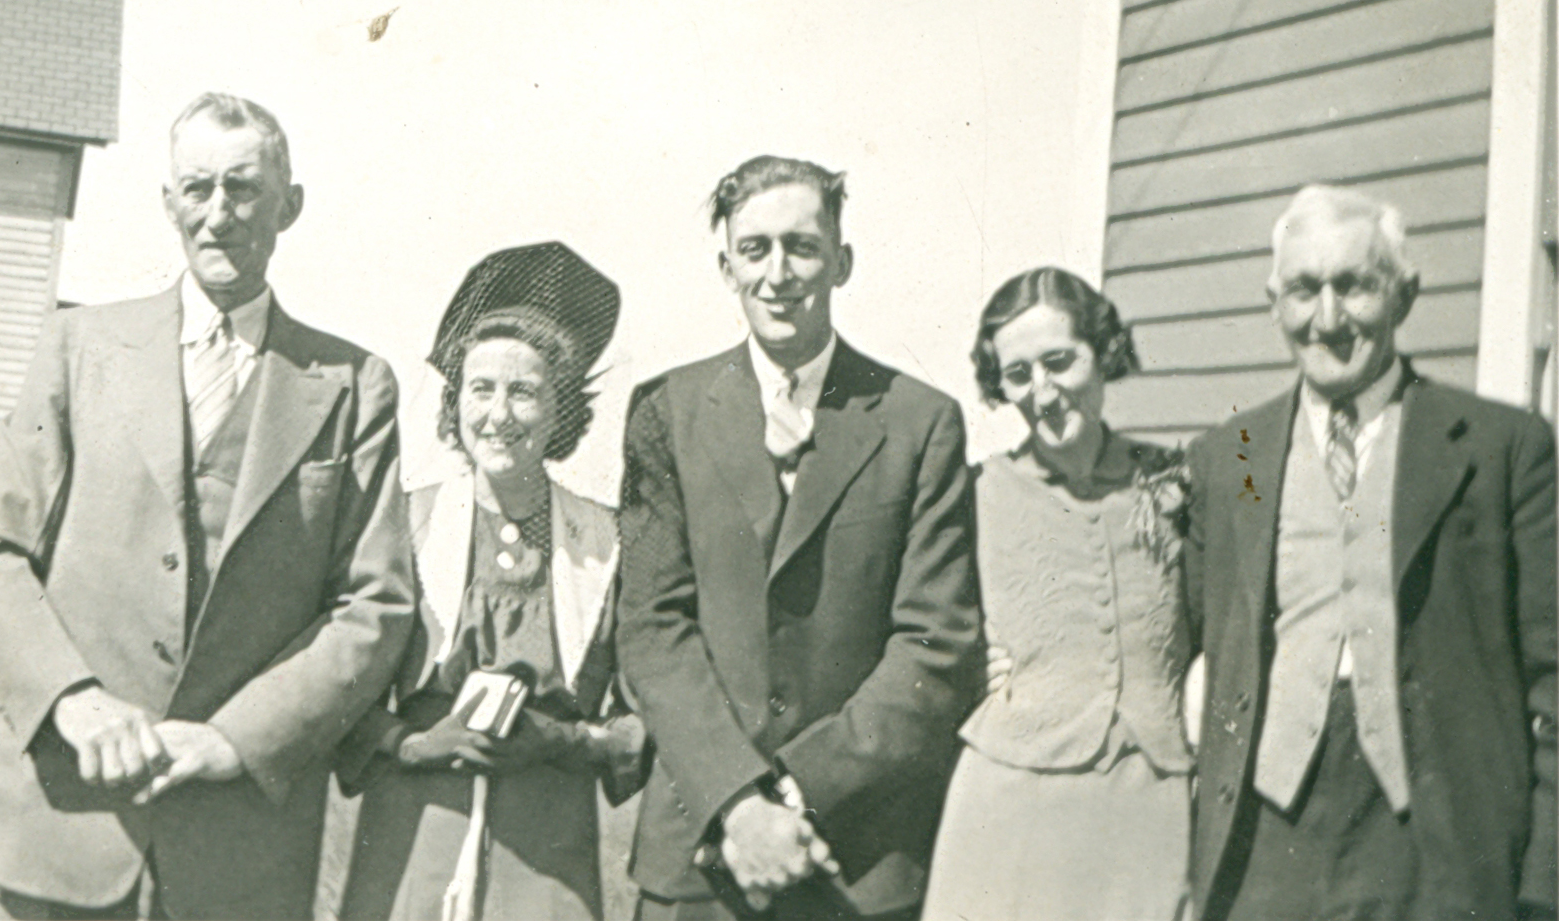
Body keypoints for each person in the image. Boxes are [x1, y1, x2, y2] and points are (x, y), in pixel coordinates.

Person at [0, 93, 416, 920]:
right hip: (69, 809)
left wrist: (236, 737)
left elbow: (375, 603)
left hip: (240, 841)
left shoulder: (351, 384)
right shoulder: (79, 346)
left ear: (289, 205)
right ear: (168, 204)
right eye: (196, 189)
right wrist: (71, 699)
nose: (219, 214)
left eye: (244, 188)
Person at [617, 155, 982, 921]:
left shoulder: (920, 421)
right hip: (700, 852)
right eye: (755, 249)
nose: (777, 273)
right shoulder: (666, 411)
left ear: (839, 261)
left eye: (801, 246)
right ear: (726, 267)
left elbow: (935, 644)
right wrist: (740, 806)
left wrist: (797, 791)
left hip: (856, 861)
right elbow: (652, 629)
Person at [1186, 184, 1556, 921]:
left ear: (1404, 293)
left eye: (1352, 285)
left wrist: (1543, 878)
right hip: (1268, 827)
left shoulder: (1500, 447)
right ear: (1272, 302)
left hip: (1436, 830)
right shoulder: (1227, 457)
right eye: (1301, 290)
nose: (1326, 318)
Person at [324, 241, 646, 921]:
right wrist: (408, 742)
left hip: (545, 849)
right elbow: (334, 685)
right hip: (412, 831)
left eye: (524, 391)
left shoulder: (608, 543)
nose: (498, 414)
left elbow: (640, 719)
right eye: (481, 388)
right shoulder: (402, 522)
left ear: (560, 410)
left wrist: (563, 740)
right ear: (454, 401)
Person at [921, 267, 1192, 921]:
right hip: (1010, 803)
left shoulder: (1177, 481)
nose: (1041, 392)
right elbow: (918, 627)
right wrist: (967, 669)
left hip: (1147, 802)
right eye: (1018, 374)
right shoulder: (974, 493)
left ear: (1102, 352)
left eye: (1058, 361)